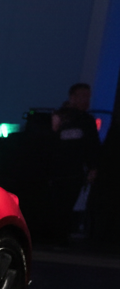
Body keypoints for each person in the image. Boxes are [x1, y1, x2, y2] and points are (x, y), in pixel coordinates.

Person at [48, 83, 100, 243]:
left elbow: (92, 146)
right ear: (73, 97)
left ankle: (60, 236)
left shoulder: (87, 120)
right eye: (83, 96)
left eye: (88, 97)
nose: (87, 100)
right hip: (57, 171)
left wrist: (92, 168)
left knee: (67, 204)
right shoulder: (60, 117)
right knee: (56, 203)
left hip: (75, 172)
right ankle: (53, 235)